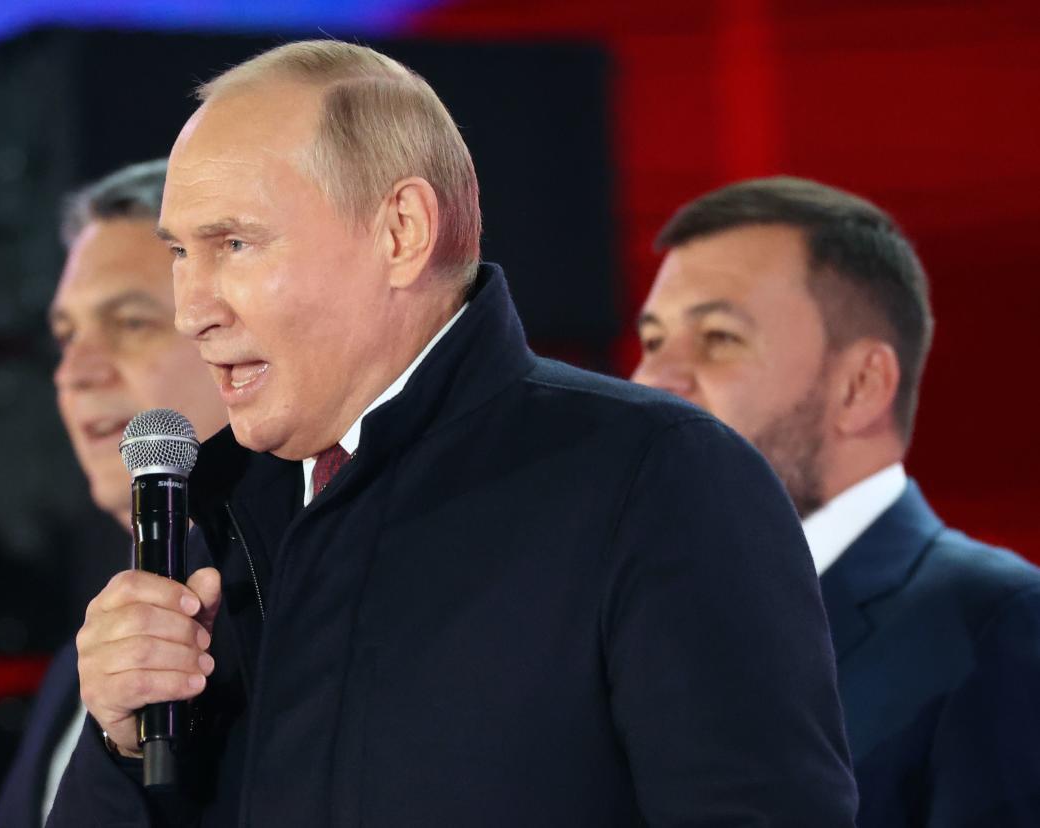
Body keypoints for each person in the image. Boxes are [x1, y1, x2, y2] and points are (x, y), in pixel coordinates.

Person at [47, 42, 858, 827]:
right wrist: (123, 751)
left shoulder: (658, 479)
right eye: (181, 253)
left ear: (401, 231)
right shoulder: (217, 529)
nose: (193, 309)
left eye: (233, 244)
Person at [633, 175, 1040, 826]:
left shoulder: (995, 625)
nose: (652, 380)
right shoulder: (645, 619)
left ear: (860, 386)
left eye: (718, 338)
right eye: (654, 342)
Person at [0, 159, 227, 828]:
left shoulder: (280, 610)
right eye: (66, 336)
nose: (76, 373)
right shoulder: (87, 652)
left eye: (129, 323)